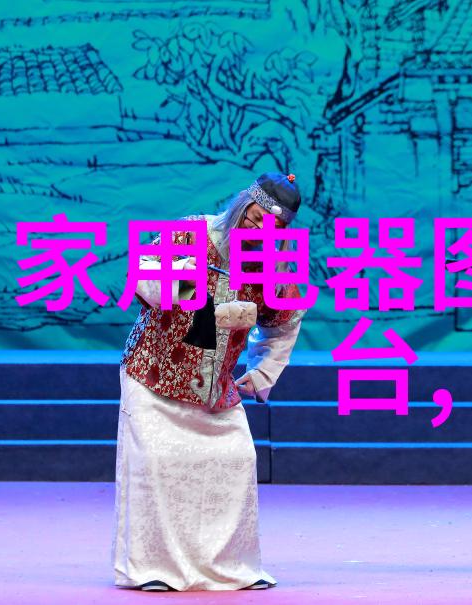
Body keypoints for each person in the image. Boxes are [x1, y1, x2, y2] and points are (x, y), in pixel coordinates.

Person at [113, 172, 305, 591]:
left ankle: (231, 566)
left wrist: (262, 371)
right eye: (254, 219)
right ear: (241, 207)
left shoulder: (270, 269)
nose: (259, 231)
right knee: (157, 465)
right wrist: (180, 278)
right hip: (154, 375)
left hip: (214, 387)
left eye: (272, 227)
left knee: (237, 461)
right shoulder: (191, 233)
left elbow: (285, 322)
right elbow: (141, 276)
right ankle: (153, 568)